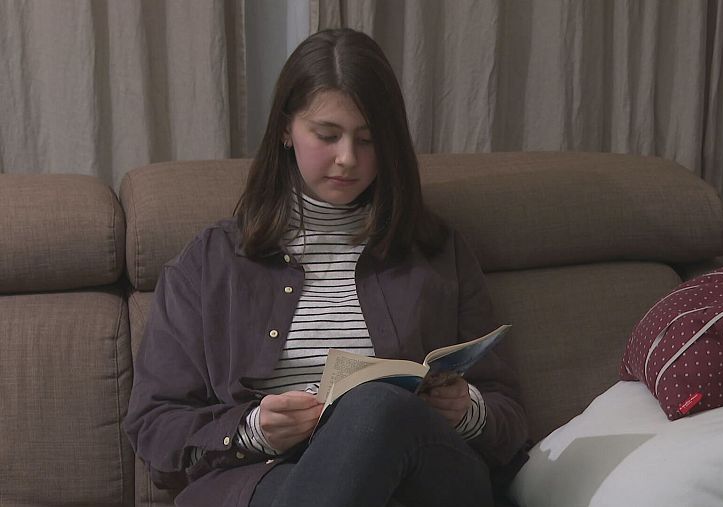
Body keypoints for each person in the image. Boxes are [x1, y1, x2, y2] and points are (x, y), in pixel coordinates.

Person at [124, 28, 528, 507]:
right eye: (327, 135)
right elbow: (154, 426)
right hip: (267, 480)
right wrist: (253, 431)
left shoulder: (437, 252)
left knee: (376, 406)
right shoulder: (210, 264)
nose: (347, 159)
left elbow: (509, 415)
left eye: (368, 139)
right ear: (286, 130)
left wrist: (468, 411)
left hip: (423, 474)